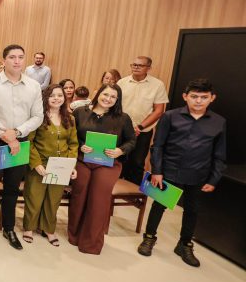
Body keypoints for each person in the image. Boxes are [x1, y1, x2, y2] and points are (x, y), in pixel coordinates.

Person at [137, 79, 226, 267]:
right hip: (169, 171)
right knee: (159, 205)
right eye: (194, 97)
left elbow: (219, 154)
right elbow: (158, 146)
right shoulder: (170, 116)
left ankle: (184, 244)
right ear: (185, 97)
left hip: (198, 174)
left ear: (212, 98)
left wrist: (214, 178)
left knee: (192, 210)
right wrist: (157, 171)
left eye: (204, 97)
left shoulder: (219, 122)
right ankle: (149, 238)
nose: (198, 101)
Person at [0, 45, 44, 250]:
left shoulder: (33, 86)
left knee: (13, 188)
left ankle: (9, 228)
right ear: (3, 60)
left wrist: (17, 133)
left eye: (21, 57)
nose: (17, 61)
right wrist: (6, 135)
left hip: (20, 143)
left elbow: (37, 116)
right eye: (12, 57)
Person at [69, 84, 136, 254]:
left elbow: (131, 141)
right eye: (105, 94)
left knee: (99, 198)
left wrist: (119, 150)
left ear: (117, 100)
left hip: (108, 163)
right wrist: (81, 145)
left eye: (113, 97)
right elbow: (71, 136)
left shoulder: (123, 118)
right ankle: (74, 234)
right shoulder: (80, 112)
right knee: (80, 192)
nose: (108, 99)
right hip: (82, 160)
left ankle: (91, 241)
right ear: (98, 93)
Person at [22, 84, 79, 246]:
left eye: (60, 95)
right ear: (45, 98)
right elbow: (29, 142)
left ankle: (48, 229)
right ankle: (29, 228)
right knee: (34, 197)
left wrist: (71, 165)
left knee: (53, 199)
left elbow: (73, 144)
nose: (56, 98)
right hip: (40, 164)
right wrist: (36, 164)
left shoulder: (70, 118)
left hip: (61, 165)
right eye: (52, 95)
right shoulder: (38, 117)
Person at [118, 56, 169, 185]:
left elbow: (158, 111)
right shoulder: (122, 83)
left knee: (137, 162)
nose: (136, 67)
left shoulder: (157, 85)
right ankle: (114, 190)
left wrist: (139, 127)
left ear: (149, 68)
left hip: (143, 131)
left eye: (140, 65)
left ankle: (132, 195)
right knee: (118, 159)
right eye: (134, 64)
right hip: (121, 129)